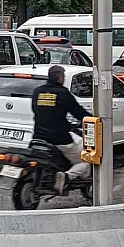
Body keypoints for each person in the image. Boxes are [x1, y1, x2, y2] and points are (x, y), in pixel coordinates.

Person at [31, 65, 91, 194]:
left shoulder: (37, 91)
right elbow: (79, 113)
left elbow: (38, 112)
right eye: (63, 76)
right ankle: (67, 176)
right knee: (87, 158)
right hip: (60, 139)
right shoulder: (63, 93)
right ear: (60, 77)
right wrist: (91, 119)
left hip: (38, 137)